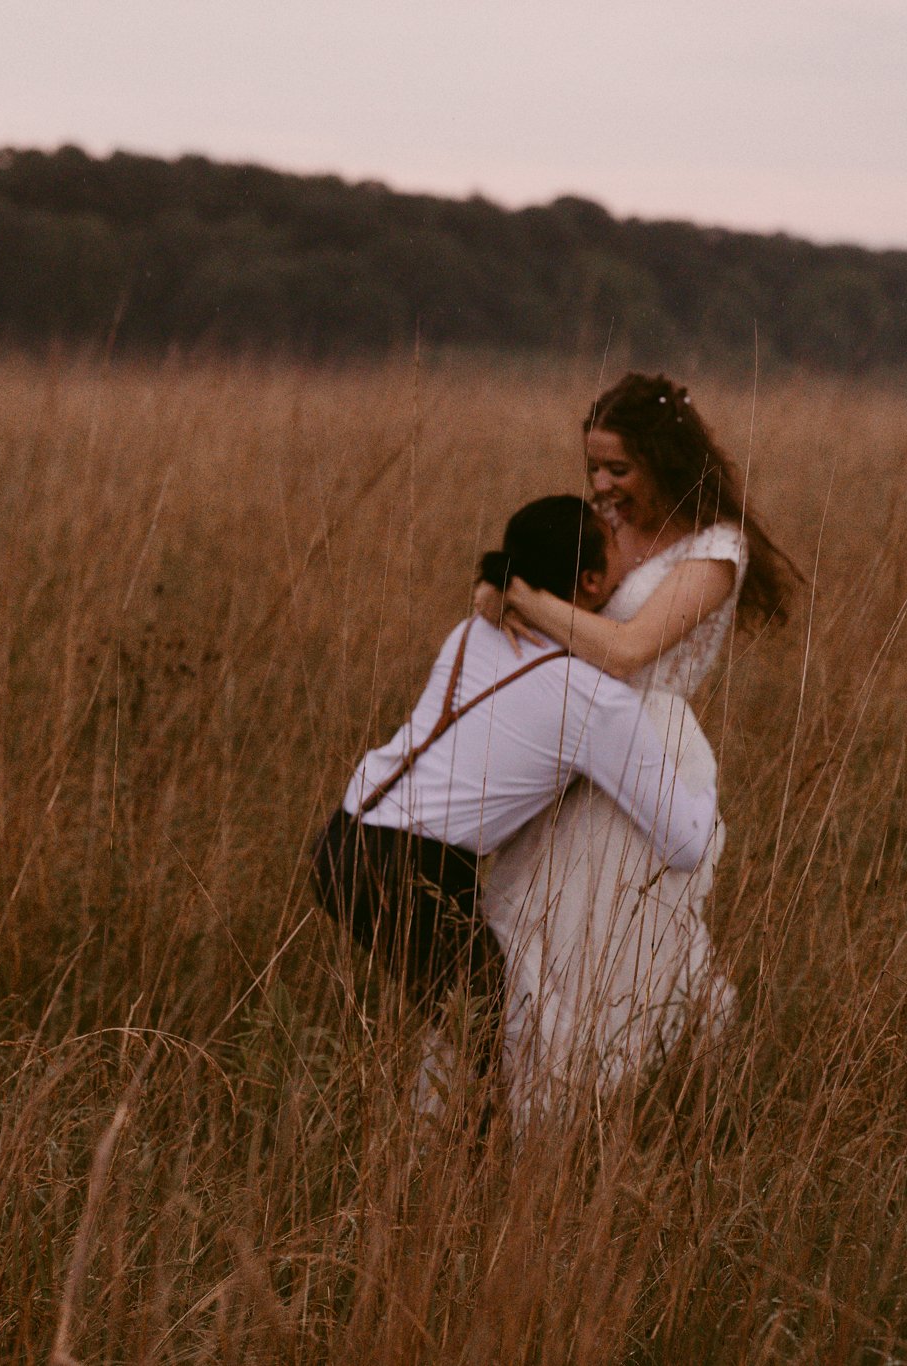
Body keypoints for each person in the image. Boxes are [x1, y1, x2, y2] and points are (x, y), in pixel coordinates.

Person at [311, 494, 720, 1120]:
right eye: (612, 562)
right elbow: (688, 843)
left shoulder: (476, 629)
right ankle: (471, 1194)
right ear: (588, 583)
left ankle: (458, 1174)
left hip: (340, 844)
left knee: (482, 1034)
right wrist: (698, 766)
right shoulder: (595, 701)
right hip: (408, 872)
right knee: (509, 1044)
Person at [473, 372, 794, 1126]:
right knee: (528, 922)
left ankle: (589, 1107)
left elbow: (627, 651)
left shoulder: (715, 550)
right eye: (593, 468)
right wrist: (496, 592)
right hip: (574, 744)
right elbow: (526, 586)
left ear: (665, 459)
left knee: (609, 929)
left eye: (619, 469)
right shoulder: (601, 528)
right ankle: (512, 1108)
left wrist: (527, 600)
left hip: (649, 746)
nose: (602, 485)